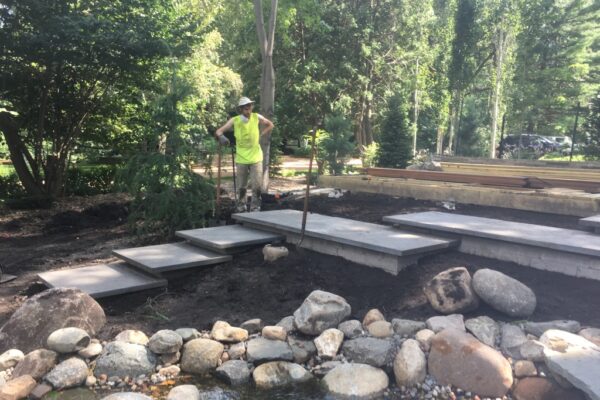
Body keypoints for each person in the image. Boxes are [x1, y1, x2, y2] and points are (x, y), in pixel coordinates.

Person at [215, 97, 274, 212]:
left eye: (250, 106)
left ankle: (255, 207)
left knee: (257, 185)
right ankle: (241, 207)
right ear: (241, 109)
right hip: (241, 157)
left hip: (256, 157)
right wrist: (222, 138)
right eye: (246, 108)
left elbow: (270, 124)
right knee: (241, 186)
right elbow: (219, 131)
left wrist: (262, 133)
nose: (248, 109)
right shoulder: (235, 120)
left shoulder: (257, 117)